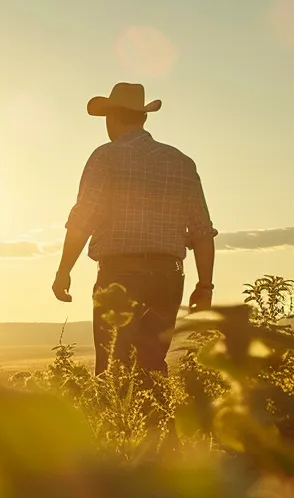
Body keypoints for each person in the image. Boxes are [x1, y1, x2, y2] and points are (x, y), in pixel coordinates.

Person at [52, 83, 216, 377]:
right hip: (168, 276)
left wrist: (64, 271)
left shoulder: (106, 156)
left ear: (111, 117)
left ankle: (117, 423)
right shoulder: (181, 162)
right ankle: (158, 422)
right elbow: (203, 231)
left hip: (119, 276)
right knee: (153, 367)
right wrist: (205, 286)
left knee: (114, 368)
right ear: (143, 118)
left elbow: (83, 219)